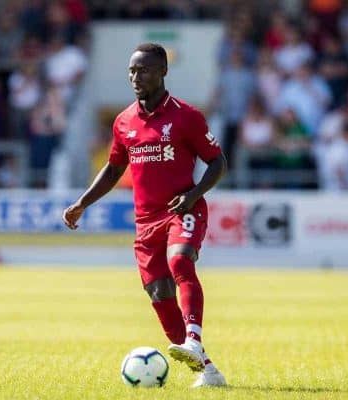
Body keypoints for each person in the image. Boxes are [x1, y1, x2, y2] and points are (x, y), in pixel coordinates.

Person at [62, 43, 227, 388]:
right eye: (132, 71)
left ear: (163, 72)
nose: (137, 77)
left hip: (183, 208)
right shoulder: (124, 121)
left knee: (180, 261)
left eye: (145, 70)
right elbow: (113, 169)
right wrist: (81, 203)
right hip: (146, 221)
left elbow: (218, 162)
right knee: (159, 295)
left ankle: (193, 340)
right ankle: (208, 371)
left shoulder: (186, 116)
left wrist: (193, 194)